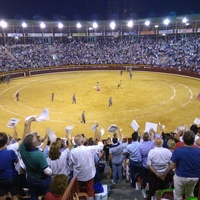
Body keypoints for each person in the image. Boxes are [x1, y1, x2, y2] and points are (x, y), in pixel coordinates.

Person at [20, 119, 52, 200]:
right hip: (41, 180)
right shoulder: (39, 155)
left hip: (30, 179)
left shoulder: (22, 149)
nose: (38, 138)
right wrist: (52, 171)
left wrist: (29, 122)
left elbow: (25, 135)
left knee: (33, 195)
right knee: (47, 194)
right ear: (35, 144)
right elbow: (47, 172)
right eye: (36, 138)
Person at [162, 130, 200, 200]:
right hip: (194, 177)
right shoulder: (199, 151)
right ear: (193, 140)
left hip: (181, 177)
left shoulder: (178, 151)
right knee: (189, 194)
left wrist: (165, 173)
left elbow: (172, 166)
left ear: (184, 140)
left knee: (177, 195)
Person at [69, 124, 103, 199]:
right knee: (90, 190)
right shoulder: (89, 149)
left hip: (78, 175)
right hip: (89, 175)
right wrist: (98, 133)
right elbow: (100, 146)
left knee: (78, 191)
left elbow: (70, 165)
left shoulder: (72, 151)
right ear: (82, 141)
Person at [0, 132, 19, 200]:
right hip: (11, 178)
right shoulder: (10, 152)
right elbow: (16, 161)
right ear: (6, 142)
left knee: (2, 196)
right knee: (14, 195)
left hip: (1, 179)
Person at [137, 132, 155, 197]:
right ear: (149, 138)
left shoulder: (140, 146)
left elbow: (139, 158)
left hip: (144, 165)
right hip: (152, 165)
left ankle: (145, 188)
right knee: (151, 178)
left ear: (143, 138)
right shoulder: (152, 143)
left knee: (145, 178)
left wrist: (141, 164)